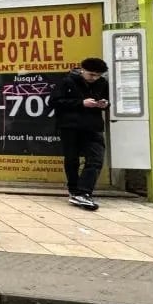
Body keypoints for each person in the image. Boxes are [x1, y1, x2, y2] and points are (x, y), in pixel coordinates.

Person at [51, 57, 110, 211]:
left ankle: (84, 192)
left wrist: (105, 104)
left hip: (93, 126)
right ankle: (75, 190)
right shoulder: (67, 81)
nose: (94, 78)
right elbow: (54, 102)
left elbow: (107, 99)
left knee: (96, 159)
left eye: (98, 75)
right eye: (91, 74)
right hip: (70, 126)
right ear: (82, 70)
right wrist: (81, 103)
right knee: (72, 159)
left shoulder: (102, 83)